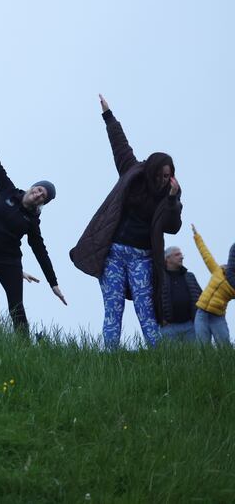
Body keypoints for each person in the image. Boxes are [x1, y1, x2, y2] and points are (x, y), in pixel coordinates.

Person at [71, 95, 181, 349]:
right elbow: (120, 145)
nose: (165, 179)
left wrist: (173, 200)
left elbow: (173, 226)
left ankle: (158, 356)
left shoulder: (170, 195)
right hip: (114, 254)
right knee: (114, 306)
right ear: (152, 170)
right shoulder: (133, 172)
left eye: (169, 175)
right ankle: (110, 357)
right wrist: (108, 116)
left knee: (146, 308)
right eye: (162, 174)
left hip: (142, 258)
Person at [0, 112, 66, 333]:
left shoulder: (32, 220)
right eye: (39, 189)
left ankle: (25, 349)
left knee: (17, 309)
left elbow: (40, 251)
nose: (39, 194)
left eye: (44, 196)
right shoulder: (7, 190)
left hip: (9, 263)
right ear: (33, 187)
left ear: (43, 202)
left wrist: (53, 283)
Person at [191, 224, 235, 346]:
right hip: (201, 314)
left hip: (218, 317)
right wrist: (197, 237)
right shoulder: (217, 270)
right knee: (203, 347)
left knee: (225, 346)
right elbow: (206, 255)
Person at [161, 245, 201, 342]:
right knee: (170, 357)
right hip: (168, 327)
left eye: (181, 255)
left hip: (190, 326)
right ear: (167, 258)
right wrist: (160, 318)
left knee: (195, 356)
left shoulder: (190, 276)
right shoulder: (160, 278)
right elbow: (152, 299)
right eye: (177, 254)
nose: (181, 257)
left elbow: (201, 297)